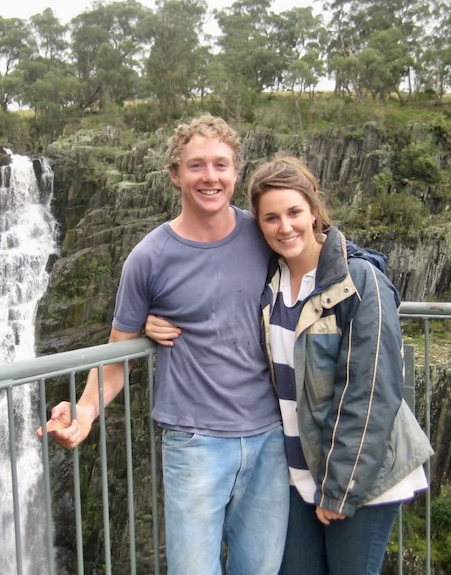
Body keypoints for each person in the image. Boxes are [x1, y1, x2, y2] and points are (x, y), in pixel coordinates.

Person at [146, 156, 433, 575]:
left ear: (314, 211)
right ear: (257, 226)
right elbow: (204, 295)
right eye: (271, 218)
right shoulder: (270, 283)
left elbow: (370, 392)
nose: (286, 227)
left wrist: (340, 488)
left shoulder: (358, 281)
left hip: (360, 477)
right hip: (296, 476)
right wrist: (149, 319)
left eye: (295, 212)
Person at [39, 115, 289, 575]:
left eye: (220, 165)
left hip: (271, 436)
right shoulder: (149, 258)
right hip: (194, 443)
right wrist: (85, 410)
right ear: (175, 174)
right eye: (196, 166)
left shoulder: (266, 235)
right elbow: (116, 355)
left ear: (236, 172)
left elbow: (319, 263)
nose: (210, 177)